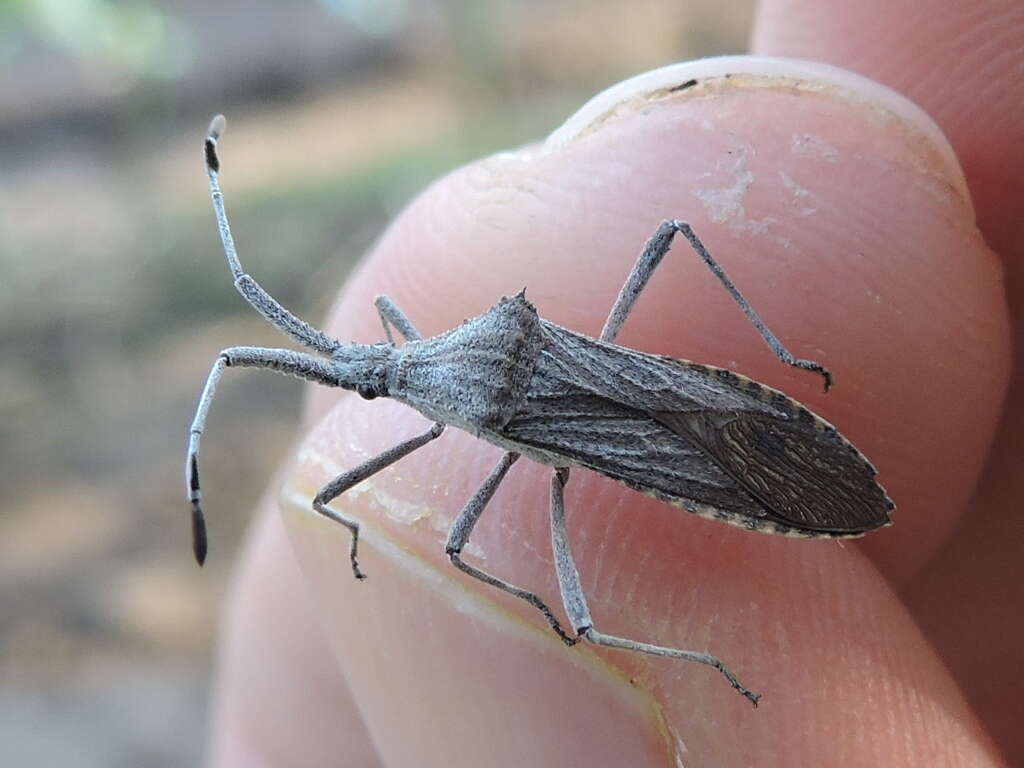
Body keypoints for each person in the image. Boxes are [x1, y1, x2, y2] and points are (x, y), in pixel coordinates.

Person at [207, 1, 1022, 764]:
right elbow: (374, 367)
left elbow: (344, 490)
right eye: (374, 382)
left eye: (374, 377)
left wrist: (371, 529)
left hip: (621, 436)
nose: (372, 374)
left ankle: (699, 658)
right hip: (695, 413)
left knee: (511, 580)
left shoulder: (447, 388)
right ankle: (783, 382)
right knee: (671, 232)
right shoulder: (451, 360)